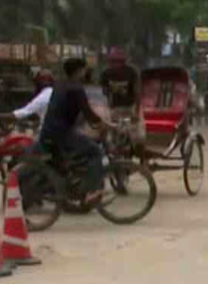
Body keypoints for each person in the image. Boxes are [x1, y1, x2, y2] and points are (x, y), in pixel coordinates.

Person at [39, 58, 107, 204]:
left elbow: (71, 110)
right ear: (79, 70)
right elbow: (87, 112)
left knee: (69, 158)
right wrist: (103, 124)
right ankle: (93, 190)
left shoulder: (60, 84)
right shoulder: (76, 88)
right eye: (84, 69)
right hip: (62, 133)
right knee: (95, 151)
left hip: (49, 130)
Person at [99, 47, 143, 145]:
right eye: (113, 61)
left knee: (139, 138)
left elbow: (137, 93)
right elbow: (103, 93)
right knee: (107, 133)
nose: (116, 64)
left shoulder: (131, 72)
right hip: (114, 108)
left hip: (130, 107)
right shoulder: (106, 74)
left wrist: (136, 113)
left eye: (119, 62)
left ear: (124, 62)